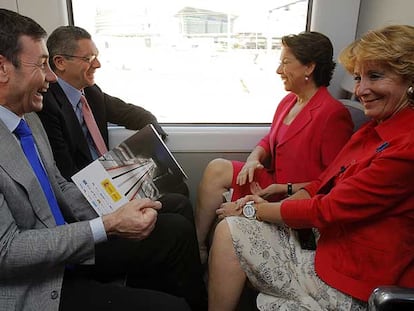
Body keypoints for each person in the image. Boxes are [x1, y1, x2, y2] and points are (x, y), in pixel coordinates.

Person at [0, 8, 206, 311]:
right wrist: (107, 225)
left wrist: (115, 209)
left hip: (69, 246)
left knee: (174, 230)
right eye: (42, 65)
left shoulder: (27, 117)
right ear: (3, 69)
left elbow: (58, 183)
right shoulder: (39, 111)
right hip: (37, 281)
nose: (50, 77)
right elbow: (8, 251)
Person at [208, 24, 414, 310]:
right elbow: (323, 185)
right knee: (229, 227)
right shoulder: (369, 131)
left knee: (234, 224)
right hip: (330, 244)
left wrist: (253, 209)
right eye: (358, 78)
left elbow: (327, 207)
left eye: (375, 76)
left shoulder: (406, 148)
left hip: (356, 276)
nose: (361, 90)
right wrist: (259, 192)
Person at [195, 31, 354, 262]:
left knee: (226, 213)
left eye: (286, 63)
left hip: (293, 196)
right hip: (271, 183)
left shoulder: (333, 115)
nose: (279, 70)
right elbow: (270, 140)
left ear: (309, 67)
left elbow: (331, 184)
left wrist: (284, 188)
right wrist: (253, 159)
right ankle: (197, 247)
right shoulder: (289, 101)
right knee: (216, 168)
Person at [37, 25, 188, 197]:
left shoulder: (91, 93)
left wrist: (156, 144)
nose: (97, 64)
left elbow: (137, 115)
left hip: (111, 178)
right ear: (60, 62)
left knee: (178, 188)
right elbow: (66, 172)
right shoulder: (48, 106)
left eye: (96, 57)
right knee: (177, 211)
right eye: (89, 58)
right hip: (88, 190)